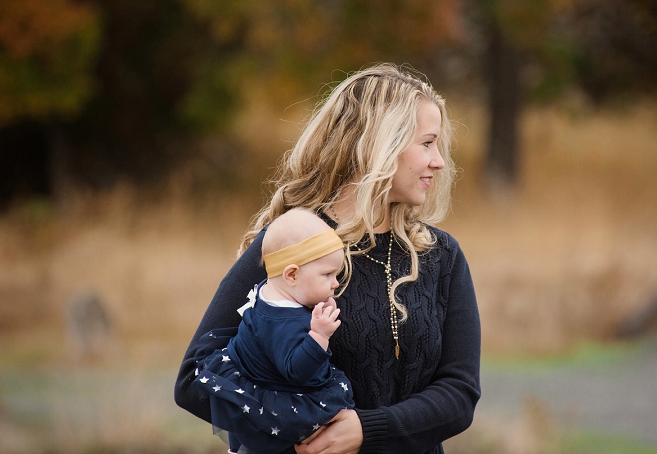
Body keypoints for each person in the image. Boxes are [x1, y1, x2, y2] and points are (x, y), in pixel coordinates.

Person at [175, 63, 481, 454]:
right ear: (379, 145)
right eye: (427, 143)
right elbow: (195, 380)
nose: (438, 161)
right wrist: (299, 423)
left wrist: (367, 430)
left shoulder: (441, 256)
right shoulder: (293, 244)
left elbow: (459, 392)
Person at [191, 208, 355, 453]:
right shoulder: (282, 322)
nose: (335, 283)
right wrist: (320, 334)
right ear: (291, 275)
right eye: (327, 274)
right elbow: (297, 371)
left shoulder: (267, 294)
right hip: (282, 405)